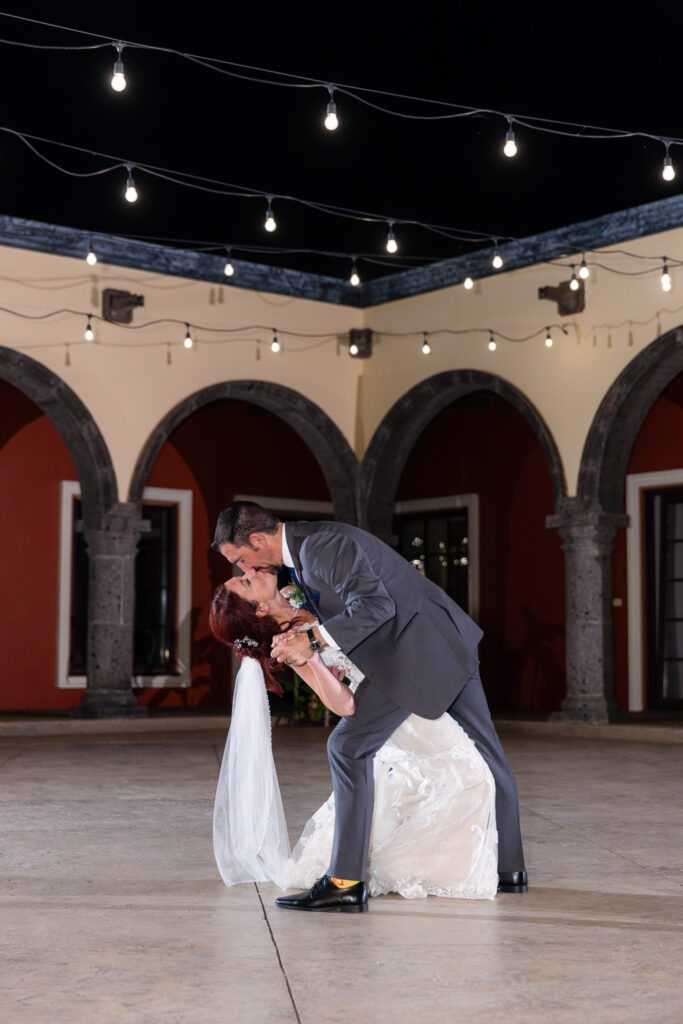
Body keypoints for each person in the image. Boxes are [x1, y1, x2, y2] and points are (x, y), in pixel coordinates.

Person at [212, 501, 527, 913]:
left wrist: (311, 640)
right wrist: (300, 621)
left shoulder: (318, 548)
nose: (246, 571)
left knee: (347, 747)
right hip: (440, 640)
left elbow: (376, 606)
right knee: (488, 756)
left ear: (256, 540)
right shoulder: (307, 550)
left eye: (241, 562)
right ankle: (510, 871)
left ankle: (345, 881)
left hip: (410, 653)